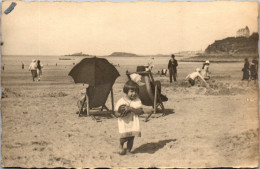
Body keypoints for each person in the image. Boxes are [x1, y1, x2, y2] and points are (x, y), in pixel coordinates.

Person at [114, 80, 144, 155]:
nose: (134, 93)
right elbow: (115, 112)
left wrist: (131, 109)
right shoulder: (121, 101)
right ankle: (121, 145)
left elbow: (140, 111)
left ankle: (128, 150)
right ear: (126, 91)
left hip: (133, 122)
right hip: (124, 122)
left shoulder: (137, 101)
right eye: (131, 91)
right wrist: (119, 114)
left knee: (131, 137)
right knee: (124, 137)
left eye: (136, 91)